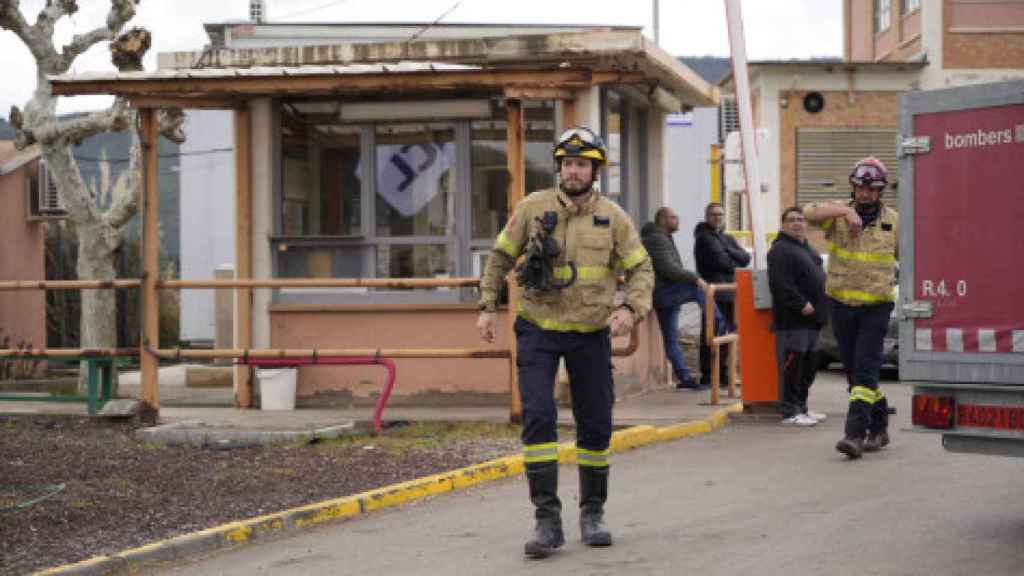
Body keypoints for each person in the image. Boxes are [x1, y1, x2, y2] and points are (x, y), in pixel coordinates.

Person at [476, 126, 653, 558]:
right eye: (567, 163)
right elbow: (500, 256)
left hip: (590, 333)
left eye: (582, 164)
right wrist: (487, 305)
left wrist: (630, 311)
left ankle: (592, 512)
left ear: (595, 170)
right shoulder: (532, 208)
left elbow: (642, 270)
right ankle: (546, 520)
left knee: (595, 424)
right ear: (560, 167)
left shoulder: (613, 217)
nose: (573, 171)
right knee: (538, 418)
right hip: (538, 327)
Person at [804, 157, 899, 459]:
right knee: (857, 375)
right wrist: (846, 211)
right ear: (853, 188)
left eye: (872, 190)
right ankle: (880, 426)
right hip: (841, 305)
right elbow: (809, 213)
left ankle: (854, 435)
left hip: (876, 306)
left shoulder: (895, 221)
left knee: (866, 369)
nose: (866, 194)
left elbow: (911, 257)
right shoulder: (838, 216)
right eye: (861, 188)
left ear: (881, 191)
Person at [641, 207, 727, 390]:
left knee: (671, 339)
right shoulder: (656, 239)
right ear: (663, 220)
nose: (677, 221)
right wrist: (696, 278)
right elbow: (668, 269)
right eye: (673, 218)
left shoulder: (664, 237)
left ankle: (685, 379)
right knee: (697, 288)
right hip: (662, 293)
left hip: (665, 292)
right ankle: (718, 323)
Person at [767, 207, 829, 426]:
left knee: (808, 367)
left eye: (801, 219)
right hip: (793, 321)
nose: (797, 223)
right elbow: (779, 284)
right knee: (792, 367)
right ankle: (789, 411)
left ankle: (802, 407)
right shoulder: (780, 250)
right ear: (783, 224)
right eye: (792, 220)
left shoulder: (805, 247)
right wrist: (801, 303)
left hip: (813, 321)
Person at [694, 202, 751, 387]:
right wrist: (731, 255)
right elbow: (722, 263)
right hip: (714, 294)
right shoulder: (704, 238)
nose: (718, 218)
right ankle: (710, 376)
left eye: (721, 214)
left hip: (729, 293)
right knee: (712, 336)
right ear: (706, 217)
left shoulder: (726, 238)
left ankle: (724, 375)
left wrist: (728, 250)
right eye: (714, 214)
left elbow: (745, 258)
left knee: (727, 336)